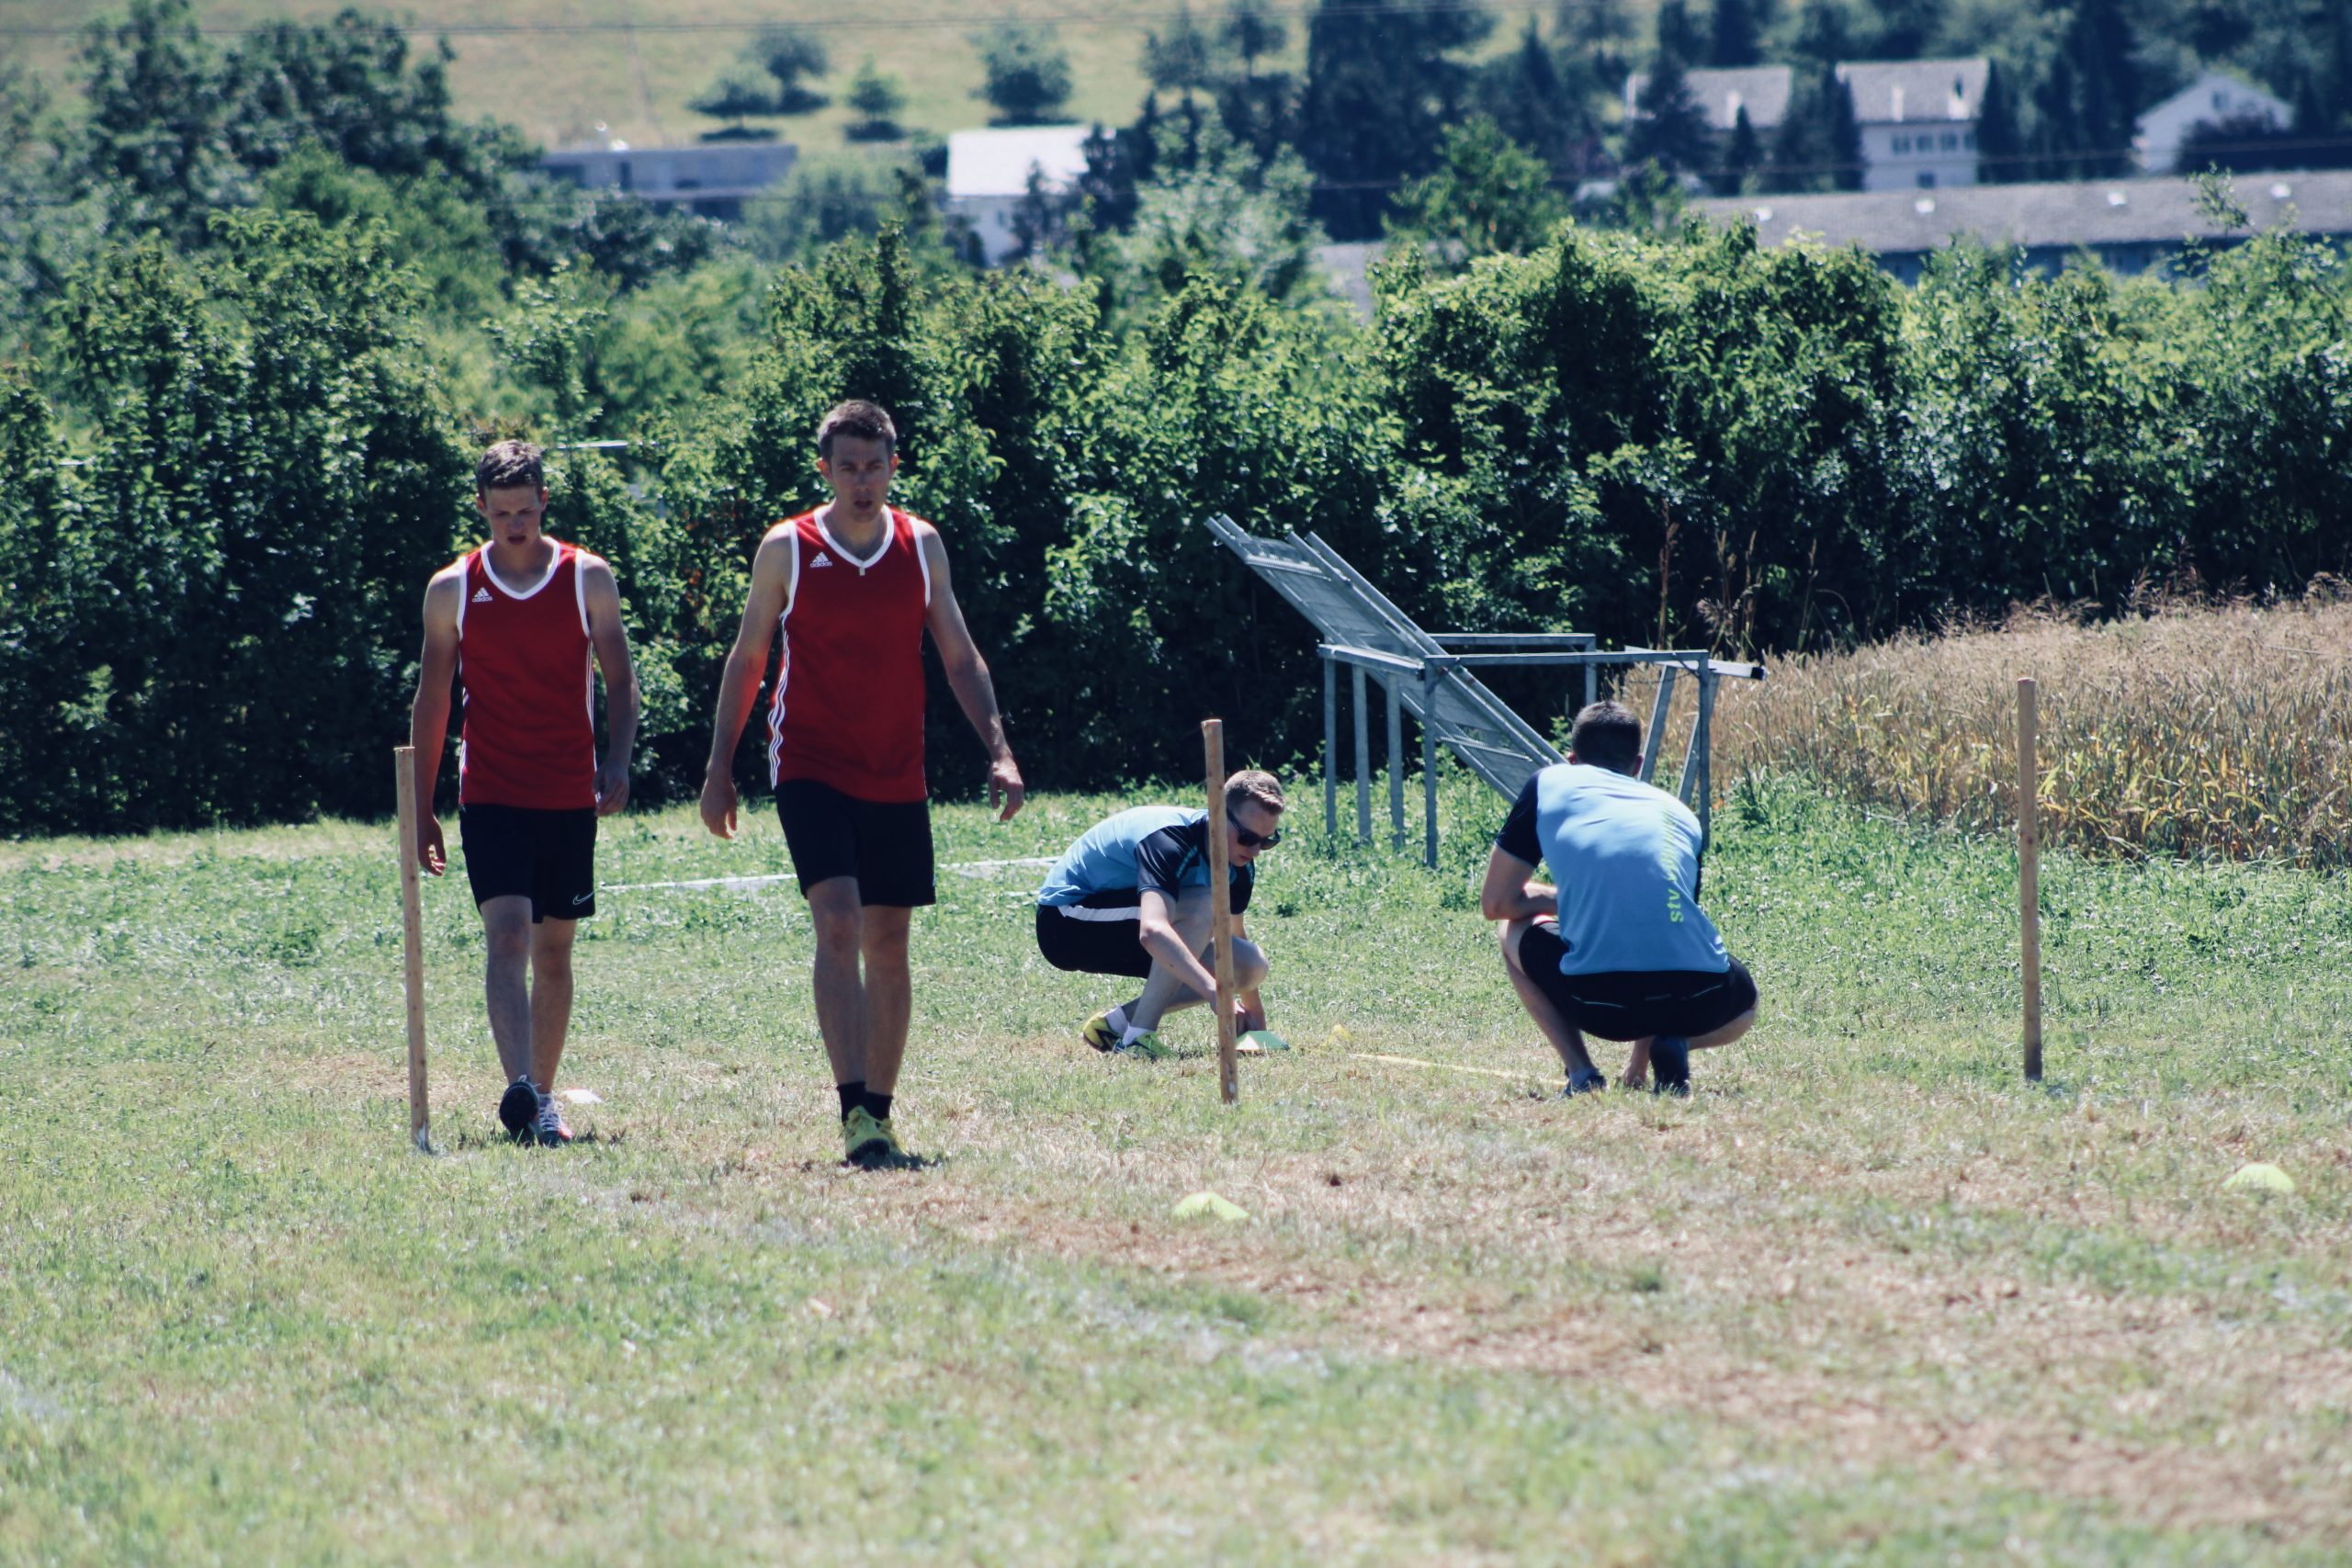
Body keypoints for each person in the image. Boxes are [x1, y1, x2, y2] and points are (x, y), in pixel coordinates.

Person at [699, 400, 1023, 1169]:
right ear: (825, 470)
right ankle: (852, 1109)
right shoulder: (788, 547)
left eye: (875, 466)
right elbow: (748, 659)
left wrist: (1000, 750)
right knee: (839, 921)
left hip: (895, 767)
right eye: (847, 467)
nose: (862, 481)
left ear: (893, 467)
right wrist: (719, 767)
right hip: (809, 761)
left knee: (889, 939)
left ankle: (879, 1110)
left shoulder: (921, 544)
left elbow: (960, 656)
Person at [409, 439, 639, 1145]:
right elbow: (433, 699)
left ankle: (541, 1093)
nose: (514, 524)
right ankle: (522, 1094)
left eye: (525, 511)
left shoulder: (586, 578)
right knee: (507, 933)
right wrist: (422, 806)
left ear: (544, 501)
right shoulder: (452, 588)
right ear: (480, 506)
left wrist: (618, 761)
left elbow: (620, 679)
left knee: (554, 950)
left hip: (568, 790)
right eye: (500, 512)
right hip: (491, 792)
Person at [1481, 700, 1756, 1096]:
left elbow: (1496, 904)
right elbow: (1662, 922)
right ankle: (1671, 1045)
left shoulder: (1549, 783)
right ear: (1638, 764)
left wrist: (1558, 901)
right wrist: (1638, 1067)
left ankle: (1582, 1074)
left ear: (1571, 760)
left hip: (1598, 1004)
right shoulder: (1681, 813)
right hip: (1701, 997)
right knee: (1746, 1006)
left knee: (1511, 929)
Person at [1035, 771, 1285, 1059]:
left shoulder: (1240, 863)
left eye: (1267, 841)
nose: (1255, 851)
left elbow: (1234, 936)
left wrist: (1256, 1023)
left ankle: (1116, 1025)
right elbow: (1153, 931)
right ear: (1217, 814)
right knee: (1205, 903)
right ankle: (1138, 1039)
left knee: (1250, 965)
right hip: (1066, 923)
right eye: (1247, 838)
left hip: (1128, 924)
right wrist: (1214, 992)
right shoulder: (1168, 840)